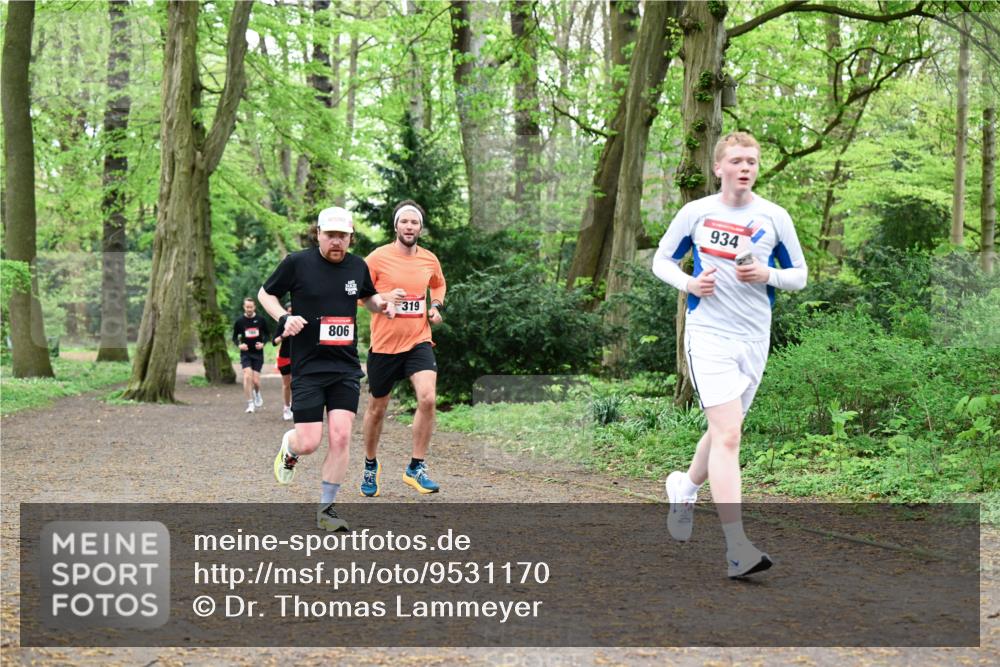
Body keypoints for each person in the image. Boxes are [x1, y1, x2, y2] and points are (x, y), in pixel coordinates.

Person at [652, 131, 807, 578]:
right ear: (718, 167)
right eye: (737, 160)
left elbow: (799, 276)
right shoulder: (696, 212)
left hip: (754, 337)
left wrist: (767, 274)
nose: (745, 168)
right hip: (708, 334)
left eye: (752, 162)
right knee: (729, 436)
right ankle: (737, 548)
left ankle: (684, 486)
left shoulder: (775, 217)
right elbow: (661, 260)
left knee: (726, 430)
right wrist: (687, 284)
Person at [258, 206, 395, 531]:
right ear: (318, 234)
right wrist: (284, 318)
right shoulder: (297, 263)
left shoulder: (357, 266)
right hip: (308, 366)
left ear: (350, 237)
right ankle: (289, 449)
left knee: (341, 435)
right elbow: (266, 294)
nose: (336, 241)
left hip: (345, 366)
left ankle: (327, 509)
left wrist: (383, 306)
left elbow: (368, 299)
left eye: (342, 236)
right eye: (330, 235)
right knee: (309, 441)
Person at [360, 200, 446, 497]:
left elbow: (438, 285)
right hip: (384, 346)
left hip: (418, 341)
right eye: (404, 222)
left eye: (415, 222)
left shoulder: (429, 259)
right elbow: (360, 296)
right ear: (396, 226)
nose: (409, 226)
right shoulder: (377, 258)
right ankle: (370, 465)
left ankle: (416, 467)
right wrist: (383, 297)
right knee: (376, 410)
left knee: (428, 398)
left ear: (420, 228)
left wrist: (435, 307)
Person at [232, 297, 270, 414]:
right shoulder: (239, 321)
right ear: (244, 307)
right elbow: (234, 337)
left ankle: (257, 393)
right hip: (246, 353)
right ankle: (250, 404)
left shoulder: (261, 320)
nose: (249, 309)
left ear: (254, 307)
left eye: (251, 307)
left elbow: (268, 335)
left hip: (258, 354)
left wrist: (263, 343)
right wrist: (239, 345)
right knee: (247, 376)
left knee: (256, 381)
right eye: (247, 307)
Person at [273, 303, 294, 421]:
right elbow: (274, 342)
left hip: (298, 357)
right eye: (289, 312)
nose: (291, 313)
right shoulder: (282, 323)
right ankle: (286, 407)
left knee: (297, 383)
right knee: (287, 384)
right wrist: (283, 335)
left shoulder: (302, 322)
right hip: (284, 357)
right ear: (286, 313)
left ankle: (296, 407)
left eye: (293, 311)